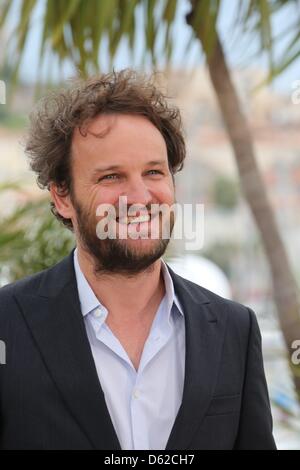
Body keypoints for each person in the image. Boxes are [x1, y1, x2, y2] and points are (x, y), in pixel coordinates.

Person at [0, 70, 276, 450]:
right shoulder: (7, 324)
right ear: (62, 197)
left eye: (153, 172)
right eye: (112, 176)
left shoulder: (234, 329)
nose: (140, 196)